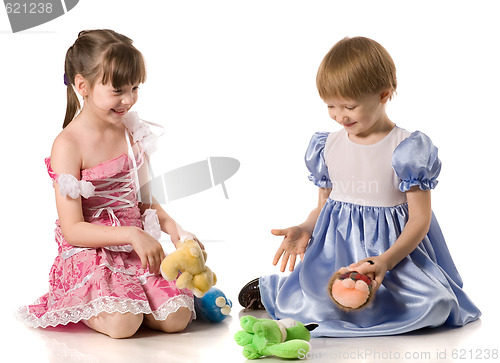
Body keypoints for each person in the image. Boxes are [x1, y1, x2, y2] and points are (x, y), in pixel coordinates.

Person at [239, 36, 481, 337]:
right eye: (331, 106)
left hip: (394, 255)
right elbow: (325, 205)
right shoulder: (327, 146)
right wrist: (306, 226)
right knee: (318, 298)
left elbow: (420, 219)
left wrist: (384, 261)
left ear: (383, 94)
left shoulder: (407, 148)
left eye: (350, 106)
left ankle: (382, 299)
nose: (340, 115)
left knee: (437, 305)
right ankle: (272, 289)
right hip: (337, 253)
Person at [16, 29, 197, 338]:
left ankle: (139, 301)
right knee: (123, 325)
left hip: (134, 247)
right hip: (92, 250)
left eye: (135, 88)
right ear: (82, 86)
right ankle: (78, 302)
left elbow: (146, 202)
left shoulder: (131, 131)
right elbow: (72, 228)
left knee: (177, 319)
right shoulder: (68, 144)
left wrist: (180, 233)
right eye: (117, 90)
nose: (128, 99)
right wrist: (131, 233)